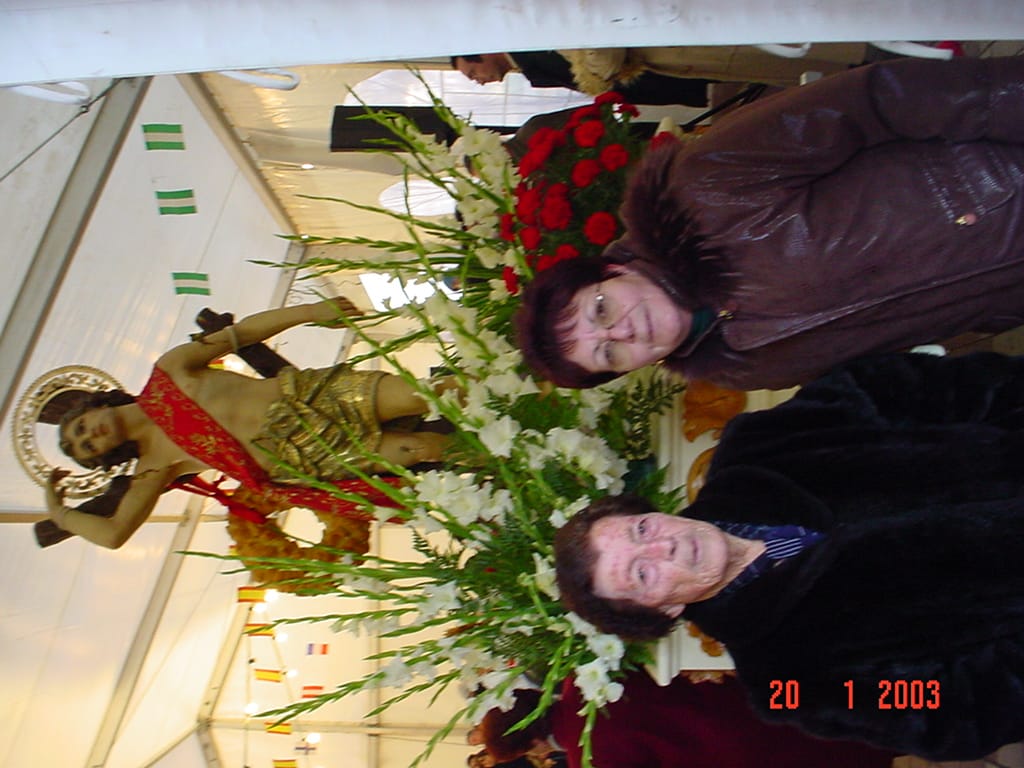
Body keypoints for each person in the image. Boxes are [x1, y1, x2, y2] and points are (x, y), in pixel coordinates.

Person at [553, 350, 1024, 760]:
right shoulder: (787, 683)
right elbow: (954, 714)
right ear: (662, 611)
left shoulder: (757, 445)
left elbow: (894, 384)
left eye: (641, 528)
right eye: (642, 572)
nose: (663, 545)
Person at [517, 55, 1024, 391]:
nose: (624, 333)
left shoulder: (701, 189)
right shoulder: (743, 365)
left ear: (609, 271)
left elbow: (877, 98)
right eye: (608, 354)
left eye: (602, 310)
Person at [46, 298, 451, 549]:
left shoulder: (168, 370)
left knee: (426, 394)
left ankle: (491, 384)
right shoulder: (154, 467)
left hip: (312, 395)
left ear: (92, 406)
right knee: (426, 450)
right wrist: (60, 514)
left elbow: (239, 334)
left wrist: (310, 312)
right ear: (105, 456)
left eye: (81, 429)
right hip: (312, 455)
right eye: (88, 448)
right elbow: (114, 534)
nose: (90, 437)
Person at [481, 671, 895, 768]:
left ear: (529, 746)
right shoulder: (583, 676)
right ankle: (916, 693)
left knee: (839, 743)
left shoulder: (588, 758)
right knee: (836, 696)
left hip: (734, 750)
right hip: (733, 693)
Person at [450, 52, 713, 108]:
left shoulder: (533, 54)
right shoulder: (529, 66)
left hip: (658, 68)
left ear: (483, 53)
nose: (479, 81)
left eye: (473, 73)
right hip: (662, 86)